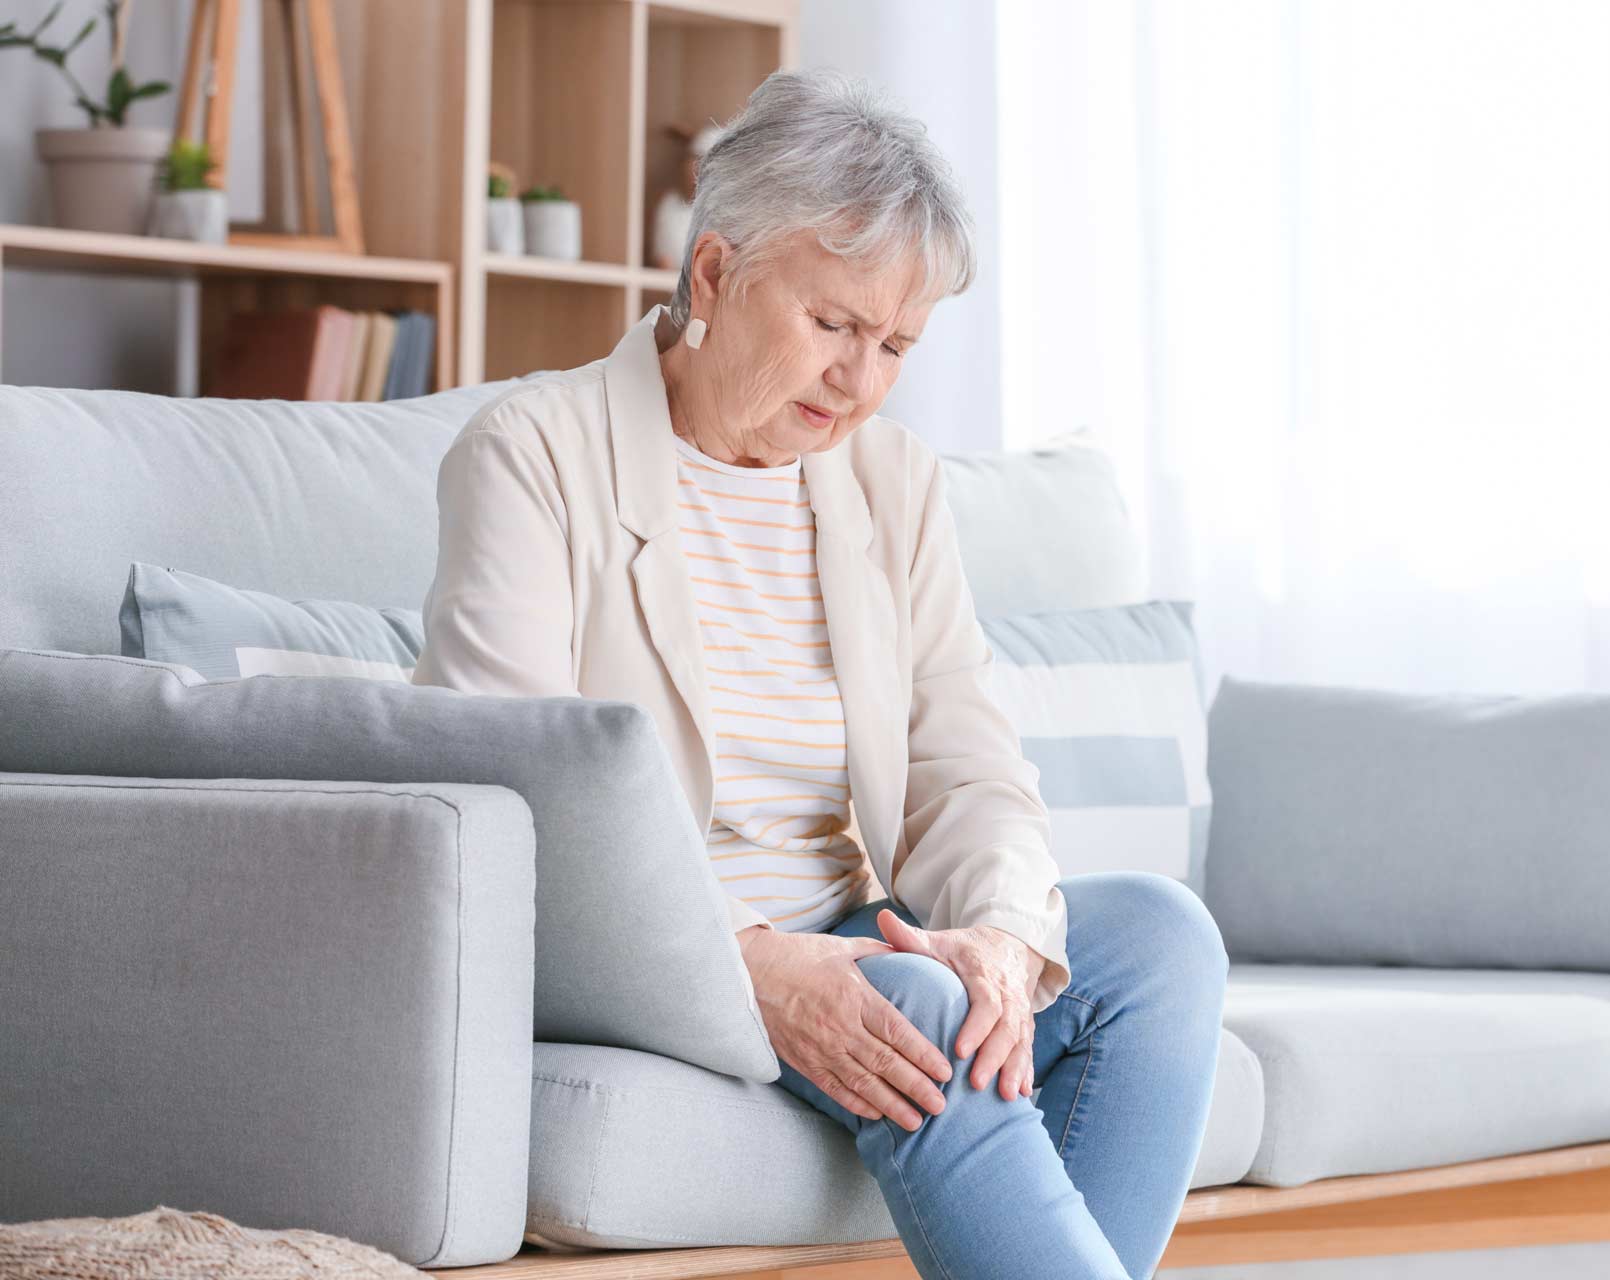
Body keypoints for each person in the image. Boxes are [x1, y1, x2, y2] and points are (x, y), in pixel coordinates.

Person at [411, 67, 1227, 1280]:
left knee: (1160, 941)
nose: (861, 379)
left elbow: (969, 768)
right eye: (835, 324)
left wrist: (1001, 934)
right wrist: (749, 962)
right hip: (655, 952)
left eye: (895, 342)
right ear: (715, 275)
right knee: (923, 1004)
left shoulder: (891, 483)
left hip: (849, 923)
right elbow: (511, 803)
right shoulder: (533, 456)